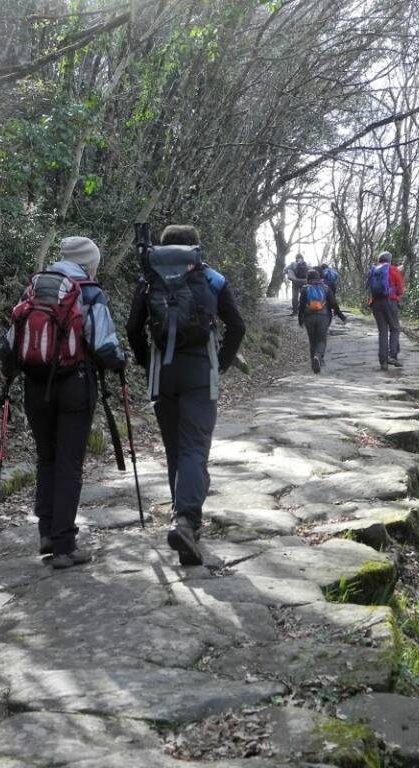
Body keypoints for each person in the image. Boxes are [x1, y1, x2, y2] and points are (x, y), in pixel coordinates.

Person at [0, 236, 126, 569]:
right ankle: (64, 546)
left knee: (47, 459)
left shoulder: (36, 288)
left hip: (34, 386)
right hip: (75, 385)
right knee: (69, 464)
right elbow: (104, 347)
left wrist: (9, 375)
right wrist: (121, 362)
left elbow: (10, 343)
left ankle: (46, 533)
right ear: (89, 262)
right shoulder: (89, 291)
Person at [126, 224, 245, 566]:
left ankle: (184, 521)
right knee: (195, 447)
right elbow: (237, 326)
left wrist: (147, 362)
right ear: (195, 247)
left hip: (163, 376)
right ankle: (187, 521)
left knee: (176, 450)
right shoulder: (210, 278)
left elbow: (134, 328)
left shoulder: (149, 278)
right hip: (199, 375)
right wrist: (220, 364)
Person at [298, 269, 346, 373]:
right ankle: (318, 357)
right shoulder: (326, 288)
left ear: (308, 278)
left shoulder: (304, 289)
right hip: (323, 317)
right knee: (321, 340)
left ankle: (313, 362)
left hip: (309, 317)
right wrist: (342, 316)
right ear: (319, 277)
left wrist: (300, 319)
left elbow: (301, 306)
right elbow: (334, 304)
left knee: (312, 340)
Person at [366, 251, 405, 371]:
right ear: (389, 260)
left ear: (379, 260)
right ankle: (392, 355)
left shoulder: (373, 271)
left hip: (376, 303)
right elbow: (400, 289)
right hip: (389, 302)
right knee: (394, 328)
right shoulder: (393, 270)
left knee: (382, 331)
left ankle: (383, 362)